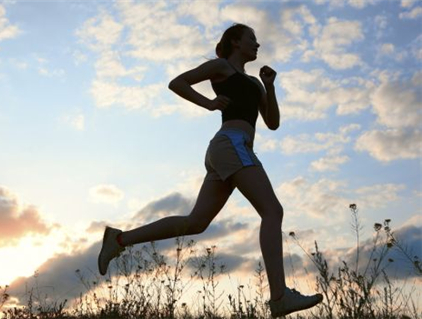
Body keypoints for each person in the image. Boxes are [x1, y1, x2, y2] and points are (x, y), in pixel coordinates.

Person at [98, 23, 323, 318]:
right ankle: (279, 296)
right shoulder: (221, 66)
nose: (257, 44)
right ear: (235, 42)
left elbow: (272, 122)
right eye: (252, 39)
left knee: (196, 222)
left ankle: (118, 239)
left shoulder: (254, 83)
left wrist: (269, 86)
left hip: (229, 149)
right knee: (272, 211)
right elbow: (178, 82)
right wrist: (209, 104)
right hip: (230, 144)